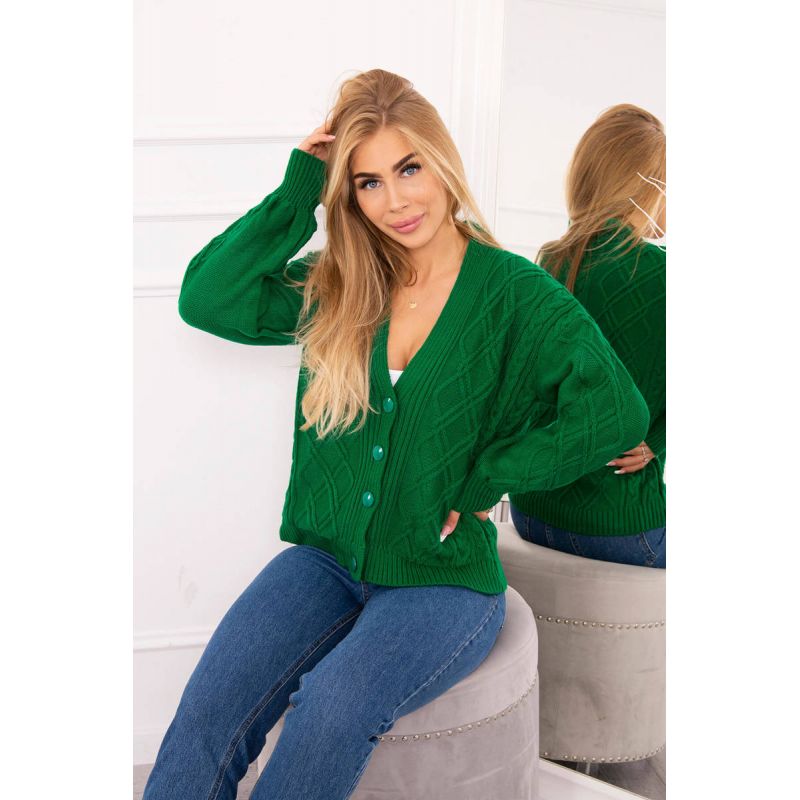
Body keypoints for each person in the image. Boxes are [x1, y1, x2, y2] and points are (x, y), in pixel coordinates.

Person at [142, 70, 650, 800]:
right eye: (368, 183)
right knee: (206, 714)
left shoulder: (514, 292)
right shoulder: (343, 283)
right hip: (326, 561)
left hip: (442, 580)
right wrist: (299, 189)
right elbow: (208, 298)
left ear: (441, 162)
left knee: (330, 709)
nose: (396, 201)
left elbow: (615, 409)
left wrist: (490, 475)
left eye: (409, 169)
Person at [508, 103, 666, 568]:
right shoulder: (664, 275)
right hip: (619, 527)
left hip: (532, 511)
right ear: (646, 185)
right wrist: (656, 442)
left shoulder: (550, 261)